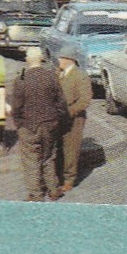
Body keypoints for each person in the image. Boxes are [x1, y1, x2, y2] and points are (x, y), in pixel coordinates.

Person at [6, 46, 67, 201]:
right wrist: (57, 119)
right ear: (41, 59)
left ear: (27, 60)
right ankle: (53, 189)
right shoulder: (52, 76)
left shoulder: (21, 80)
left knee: (31, 160)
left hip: (29, 125)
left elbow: (16, 107)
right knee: (48, 156)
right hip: (50, 123)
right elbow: (61, 103)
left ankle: (36, 193)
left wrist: (19, 123)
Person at [55, 52, 91, 192]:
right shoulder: (58, 73)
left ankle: (69, 179)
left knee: (71, 149)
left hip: (74, 119)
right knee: (59, 147)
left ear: (69, 59)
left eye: (60, 57)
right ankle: (58, 176)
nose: (58, 60)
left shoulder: (80, 76)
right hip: (58, 117)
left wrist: (69, 112)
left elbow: (85, 100)